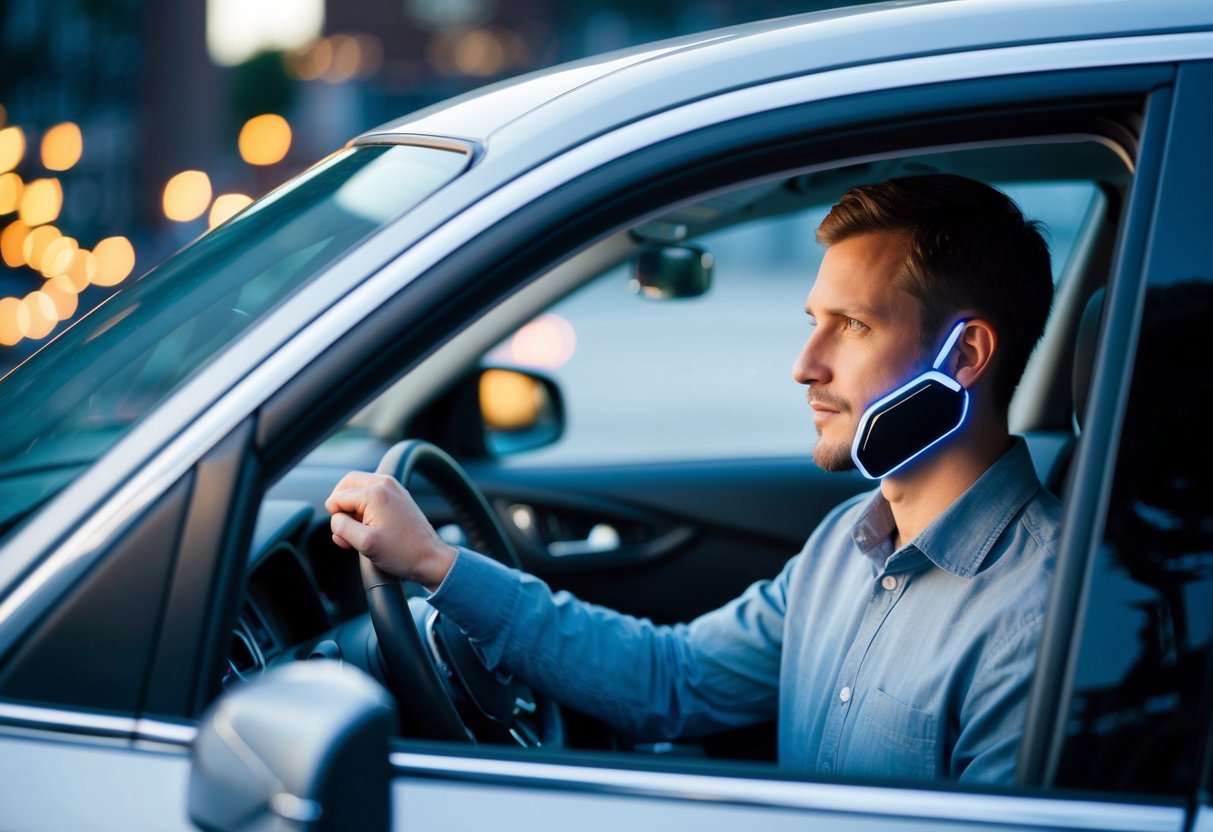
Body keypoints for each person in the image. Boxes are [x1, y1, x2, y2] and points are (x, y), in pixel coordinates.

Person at [326, 173, 1061, 784]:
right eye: (813, 321)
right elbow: (670, 679)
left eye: (853, 326)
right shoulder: (846, 541)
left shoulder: (1039, 615)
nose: (804, 365)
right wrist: (434, 565)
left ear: (963, 357)